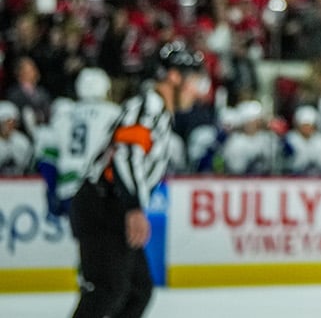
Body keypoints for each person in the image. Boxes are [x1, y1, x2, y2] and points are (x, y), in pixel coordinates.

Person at [71, 42, 203, 318]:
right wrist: (133, 207)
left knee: (137, 291)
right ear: (174, 77)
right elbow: (125, 157)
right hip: (103, 205)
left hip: (113, 205)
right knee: (107, 290)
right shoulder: (147, 108)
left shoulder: (160, 115)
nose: (198, 90)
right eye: (193, 80)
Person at [37, 68, 121, 217]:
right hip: (100, 189)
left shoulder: (64, 114)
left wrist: (52, 189)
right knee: (102, 239)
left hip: (67, 190)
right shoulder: (115, 114)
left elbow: (48, 157)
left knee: (81, 238)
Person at [221, 100, 278, 176]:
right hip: (241, 181)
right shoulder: (236, 141)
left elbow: (275, 163)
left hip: (264, 180)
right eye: (253, 121)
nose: (255, 124)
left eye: (257, 121)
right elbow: (235, 169)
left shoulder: (267, 138)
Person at [282, 105, 321, 176]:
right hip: (293, 177)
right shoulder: (290, 139)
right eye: (304, 126)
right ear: (298, 125)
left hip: (318, 178)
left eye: (309, 125)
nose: (306, 128)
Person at [0, 100, 33, 174]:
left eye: (11, 121)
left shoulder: (23, 142)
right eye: (5, 122)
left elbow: (27, 167)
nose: (8, 125)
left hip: (18, 183)